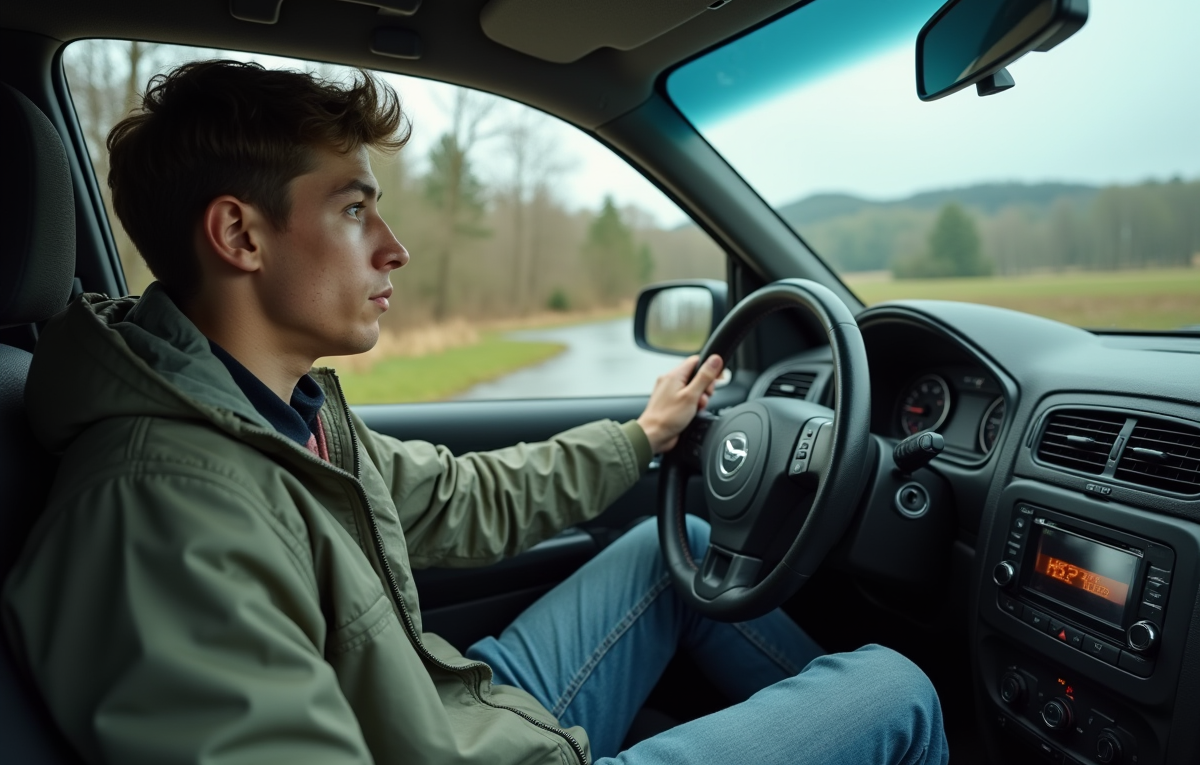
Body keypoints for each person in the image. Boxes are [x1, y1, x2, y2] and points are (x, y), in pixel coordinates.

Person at [2, 60, 948, 765]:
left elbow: (461, 495)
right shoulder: (158, 510)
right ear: (240, 234)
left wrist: (643, 437)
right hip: (440, 733)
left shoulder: (275, 414)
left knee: (674, 552)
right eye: (354, 209)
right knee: (896, 690)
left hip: (437, 710)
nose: (396, 249)